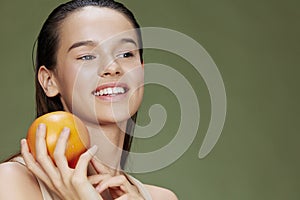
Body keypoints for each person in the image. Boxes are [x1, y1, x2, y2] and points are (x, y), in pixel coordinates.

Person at [0, 0, 178, 199]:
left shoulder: (161, 198)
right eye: (86, 56)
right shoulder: (11, 181)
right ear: (49, 81)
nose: (112, 67)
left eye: (126, 53)